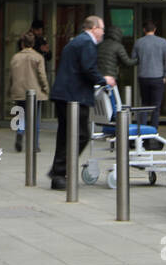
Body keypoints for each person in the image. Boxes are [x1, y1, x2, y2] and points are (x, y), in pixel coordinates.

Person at [48, 15, 115, 190]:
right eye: (102, 29)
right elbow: (88, 68)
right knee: (80, 134)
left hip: (65, 95)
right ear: (94, 28)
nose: (102, 33)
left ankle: (58, 172)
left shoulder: (76, 41)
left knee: (65, 135)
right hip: (74, 97)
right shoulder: (87, 43)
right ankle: (60, 170)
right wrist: (104, 80)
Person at [8, 32, 49, 152]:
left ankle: (20, 133)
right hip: (35, 92)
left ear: (22, 44)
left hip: (19, 91)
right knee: (35, 118)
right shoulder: (38, 57)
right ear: (33, 43)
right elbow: (42, 76)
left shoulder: (15, 57)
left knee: (21, 114)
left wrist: (10, 89)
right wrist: (45, 88)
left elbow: (11, 76)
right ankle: (34, 144)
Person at [133, 21, 166, 128]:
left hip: (143, 77)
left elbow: (134, 59)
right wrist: (165, 75)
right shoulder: (163, 42)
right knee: (156, 106)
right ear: (154, 30)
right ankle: (154, 131)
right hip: (158, 77)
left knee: (144, 104)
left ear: (144, 30)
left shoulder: (139, 42)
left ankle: (142, 130)